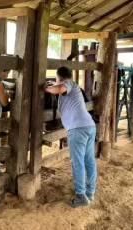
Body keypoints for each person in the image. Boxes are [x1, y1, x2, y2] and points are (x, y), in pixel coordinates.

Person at [44, 66, 97, 207]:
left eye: (57, 80)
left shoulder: (68, 84)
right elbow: (60, 87)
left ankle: (80, 195)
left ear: (60, 78)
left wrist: (47, 88)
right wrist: (54, 84)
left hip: (77, 129)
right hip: (89, 126)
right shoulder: (75, 87)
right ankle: (90, 191)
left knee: (77, 162)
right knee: (89, 160)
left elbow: (58, 88)